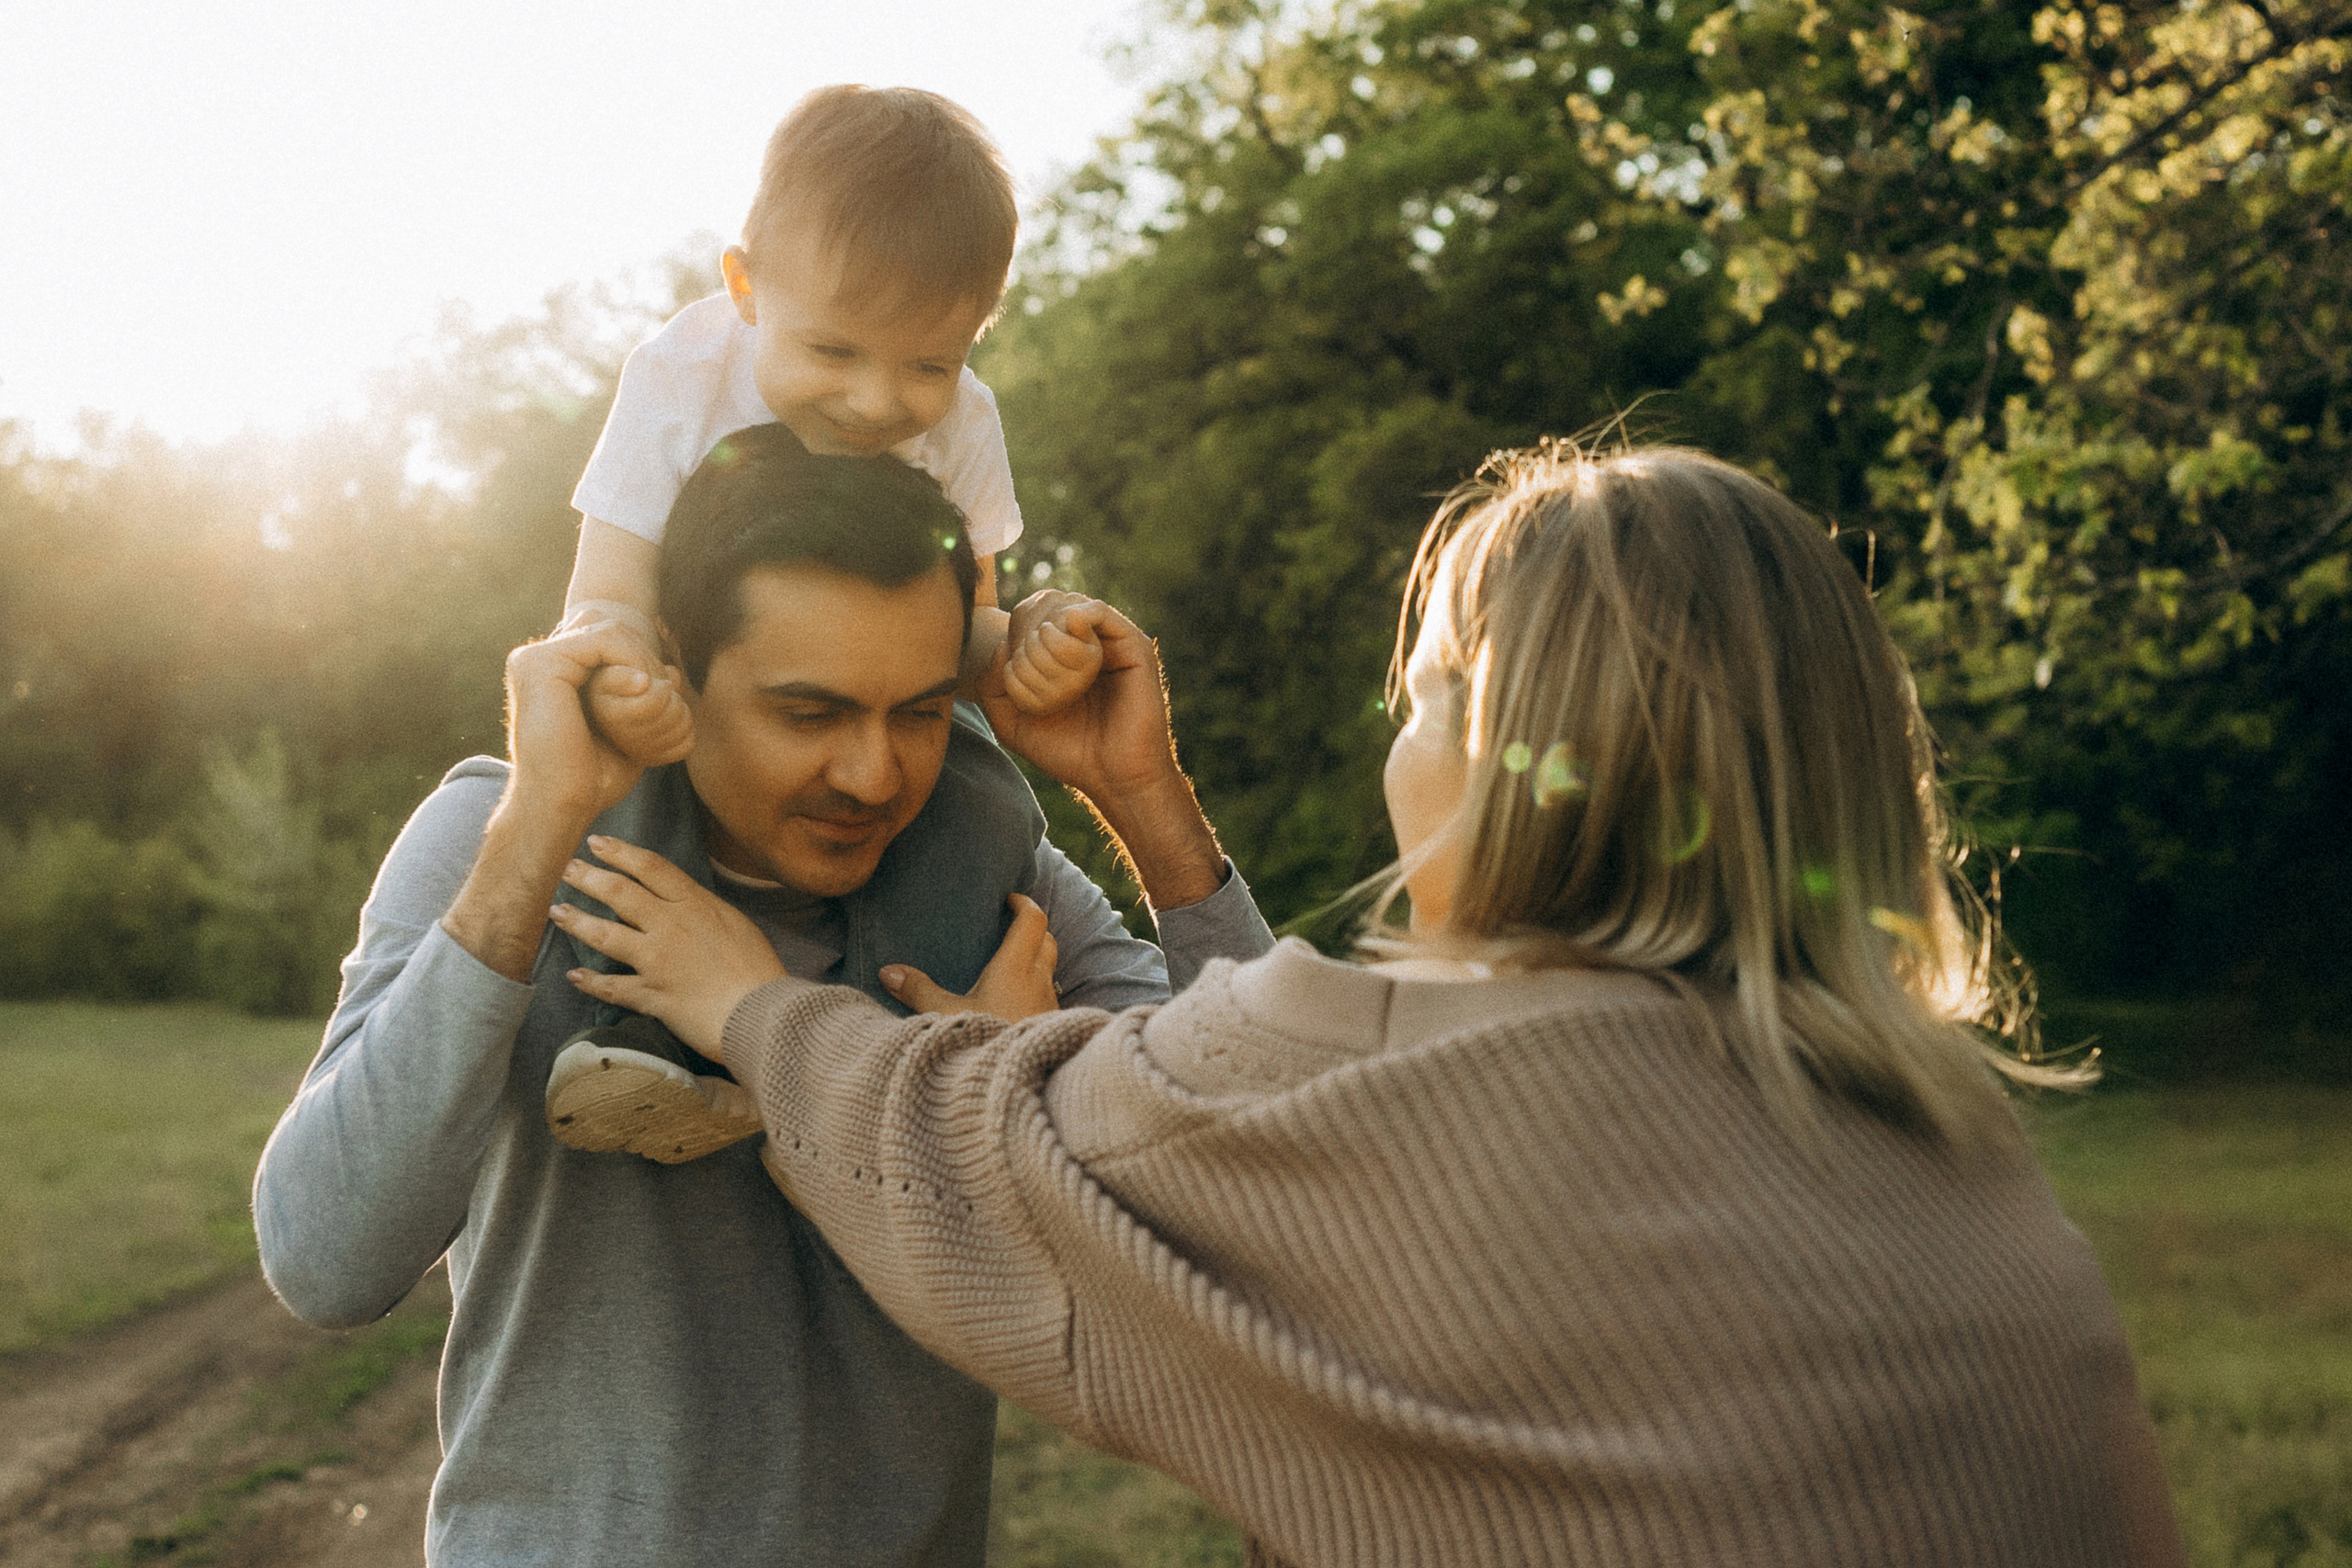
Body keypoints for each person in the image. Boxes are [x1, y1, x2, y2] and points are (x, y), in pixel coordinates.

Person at [554, 444, 2188, 1568]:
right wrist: (1150, 803)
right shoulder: (1963, 1151)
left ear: (1504, 756)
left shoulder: (1422, 1078)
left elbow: (981, 1159)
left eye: (1429, 700)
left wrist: (753, 1004)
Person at [251, 427, 1273, 1567]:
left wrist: (1141, 794)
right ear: (675, 668)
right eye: (809, 713)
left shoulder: (985, 868)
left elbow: (1282, 1150)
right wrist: (533, 840)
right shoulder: (491, 841)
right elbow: (325, 1263)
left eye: (922, 713)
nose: (873, 775)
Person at [560, 83, 1096, 767]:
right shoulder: (679, 379)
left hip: (891, 733)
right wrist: (624, 679)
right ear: (746, 288)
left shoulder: (966, 420)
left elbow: (963, 632)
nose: (875, 403)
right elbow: (607, 593)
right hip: (699, 721)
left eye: (929, 366)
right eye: (833, 351)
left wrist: (1029, 649)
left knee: (993, 807)